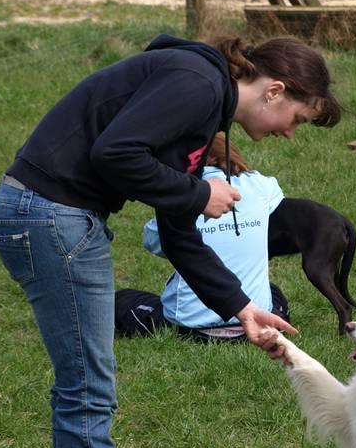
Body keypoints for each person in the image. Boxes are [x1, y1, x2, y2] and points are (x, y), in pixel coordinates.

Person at [0, 34, 340, 448]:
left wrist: (242, 306)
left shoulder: (204, 109)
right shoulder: (198, 85)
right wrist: (200, 195)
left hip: (52, 214)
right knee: (87, 383)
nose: (289, 132)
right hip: (50, 214)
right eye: (296, 116)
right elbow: (116, 153)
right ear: (275, 89)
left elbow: (178, 233)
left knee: (88, 378)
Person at [115, 135, 290, 341]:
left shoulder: (181, 193)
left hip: (192, 328)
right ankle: (274, 319)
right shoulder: (262, 185)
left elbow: (154, 241)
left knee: (120, 300)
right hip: (255, 321)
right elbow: (277, 200)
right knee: (271, 292)